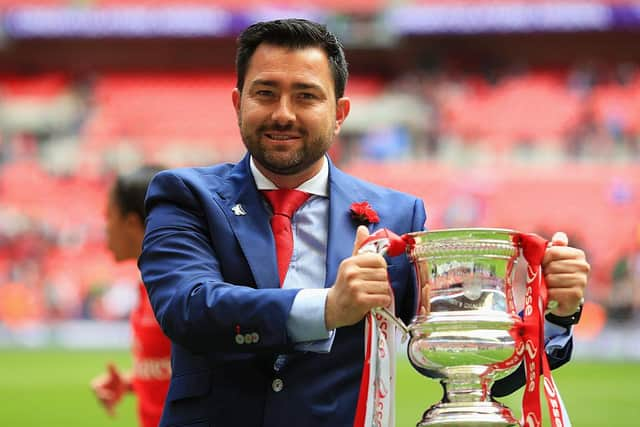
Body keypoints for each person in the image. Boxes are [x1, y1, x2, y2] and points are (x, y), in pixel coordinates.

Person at [138, 19, 590, 427]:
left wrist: (553, 315)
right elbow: (187, 308)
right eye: (265, 92)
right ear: (238, 102)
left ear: (340, 113)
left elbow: (459, 359)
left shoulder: (398, 217)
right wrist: (328, 308)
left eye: (306, 96)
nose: (283, 113)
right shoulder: (184, 195)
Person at [91, 165, 171, 427]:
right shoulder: (148, 285)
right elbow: (181, 368)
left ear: (132, 222)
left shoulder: (176, 288)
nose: (105, 228)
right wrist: (133, 382)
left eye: (108, 217)